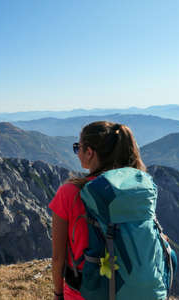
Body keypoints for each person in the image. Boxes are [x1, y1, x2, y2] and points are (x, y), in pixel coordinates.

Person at [49, 121, 146, 300]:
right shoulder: (136, 188)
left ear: (90, 152)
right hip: (131, 289)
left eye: (78, 147)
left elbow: (57, 258)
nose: (77, 153)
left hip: (85, 292)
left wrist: (58, 293)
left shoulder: (70, 193)